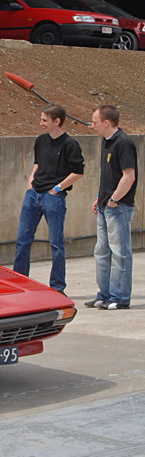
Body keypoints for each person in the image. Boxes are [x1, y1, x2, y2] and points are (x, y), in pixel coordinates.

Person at [12, 105, 85, 294]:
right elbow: (38, 162)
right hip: (33, 194)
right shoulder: (41, 140)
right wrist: (31, 179)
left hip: (53, 197)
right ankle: (19, 283)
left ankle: (57, 287)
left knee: (56, 243)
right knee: (22, 240)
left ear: (57, 121)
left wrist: (57, 188)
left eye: (44, 120)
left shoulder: (70, 144)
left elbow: (78, 172)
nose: (41, 123)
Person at [86, 105, 137, 310]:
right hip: (105, 206)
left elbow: (129, 176)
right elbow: (108, 175)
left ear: (106, 122)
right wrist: (100, 197)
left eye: (94, 122)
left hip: (119, 207)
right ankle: (104, 294)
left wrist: (114, 199)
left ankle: (120, 297)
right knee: (102, 251)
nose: (92, 126)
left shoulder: (123, 143)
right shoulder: (105, 142)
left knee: (120, 252)